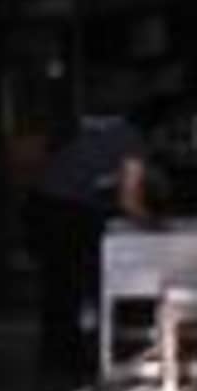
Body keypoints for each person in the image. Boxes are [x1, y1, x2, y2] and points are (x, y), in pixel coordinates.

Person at [25, 97, 166, 373]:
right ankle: (69, 361)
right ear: (155, 129)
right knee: (71, 285)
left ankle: (58, 359)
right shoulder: (133, 141)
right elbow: (129, 203)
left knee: (60, 287)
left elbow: (113, 184)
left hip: (44, 205)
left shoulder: (116, 133)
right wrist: (157, 227)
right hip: (60, 209)